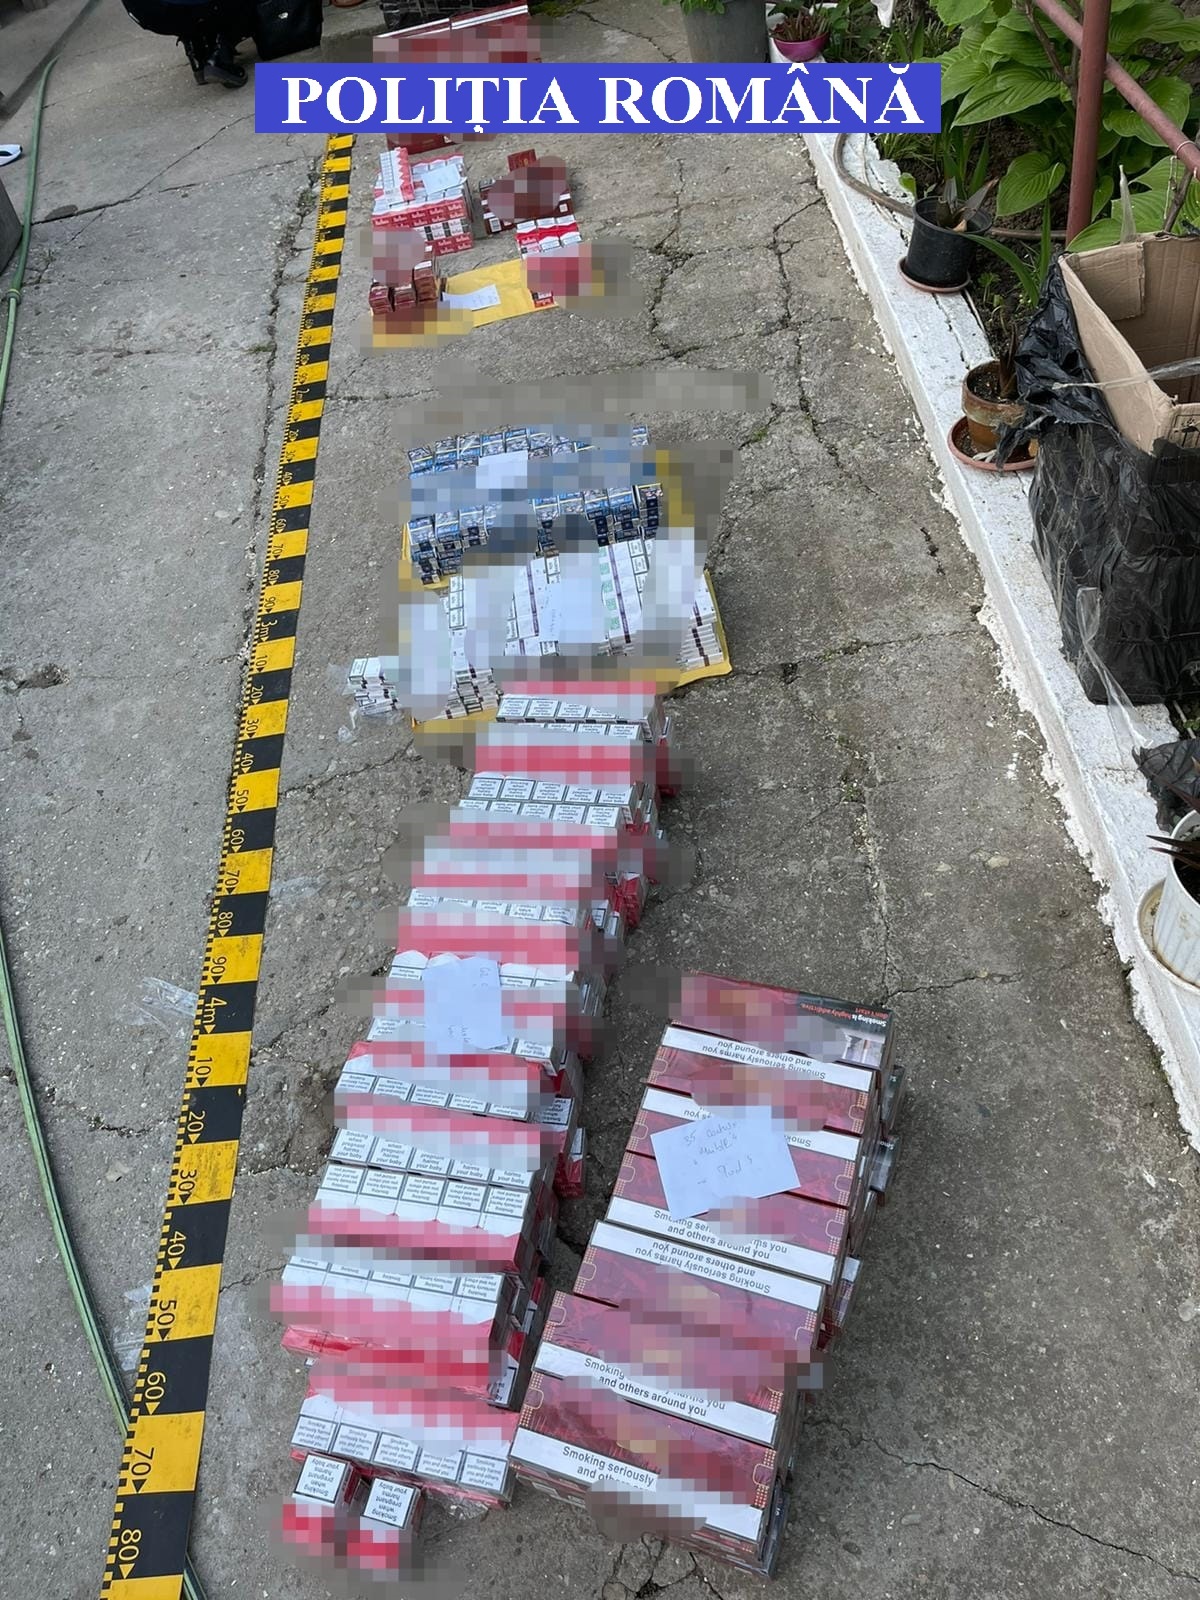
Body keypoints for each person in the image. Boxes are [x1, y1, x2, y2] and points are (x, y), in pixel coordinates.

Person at [120, 0, 255, 87]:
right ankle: (220, 55)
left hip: (142, 13)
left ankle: (198, 53)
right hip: (171, 7)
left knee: (189, 11)